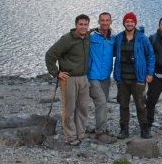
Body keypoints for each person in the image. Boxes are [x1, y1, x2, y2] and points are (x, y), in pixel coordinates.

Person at [45, 14, 91, 146]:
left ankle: (81, 135)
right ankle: (71, 137)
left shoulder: (87, 36)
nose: (83, 27)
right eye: (80, 24)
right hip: (69, 79)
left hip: (83, 77)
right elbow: (50, 55)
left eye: (85, 25)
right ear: (76, 25)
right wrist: (56, 73)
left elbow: (98, 30)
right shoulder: (66, 39)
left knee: (82, 107)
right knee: (69, 109)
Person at [113, 12, 155, 139]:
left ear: (135, 23)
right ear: (124, 23)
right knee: (123, 104)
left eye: (132, 22)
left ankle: (144, 128)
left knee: (141, 105)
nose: (129, 24)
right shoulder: (119, 37)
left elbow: (150, 55)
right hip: (122, 77)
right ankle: (124, 129)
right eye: (127, 21)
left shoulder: (142, 38)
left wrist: (150, 73)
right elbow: (112, 51)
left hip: (138, 77)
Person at [88, 12, 117, 143]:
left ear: (110, 22)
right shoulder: (92, 37)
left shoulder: (113, 38)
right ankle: (100, 132)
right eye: (102, 20)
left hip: (106, 76)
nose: (105, 23)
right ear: (99, 22)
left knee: (103, 103)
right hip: (93, 75)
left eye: (107, 20)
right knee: (101, 102)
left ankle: (103, 128)